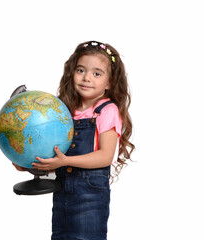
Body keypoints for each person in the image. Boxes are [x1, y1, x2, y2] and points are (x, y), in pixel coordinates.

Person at [13, 40, 135, 240]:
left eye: (97, 73)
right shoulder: (65, 111)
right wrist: (32, 164)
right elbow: (60, 159)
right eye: (81, 70)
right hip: (62, 195)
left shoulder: (107, 110)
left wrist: (66, 161)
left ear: (110, 83)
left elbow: (105, 156)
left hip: (91, 199)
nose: (87, 78)